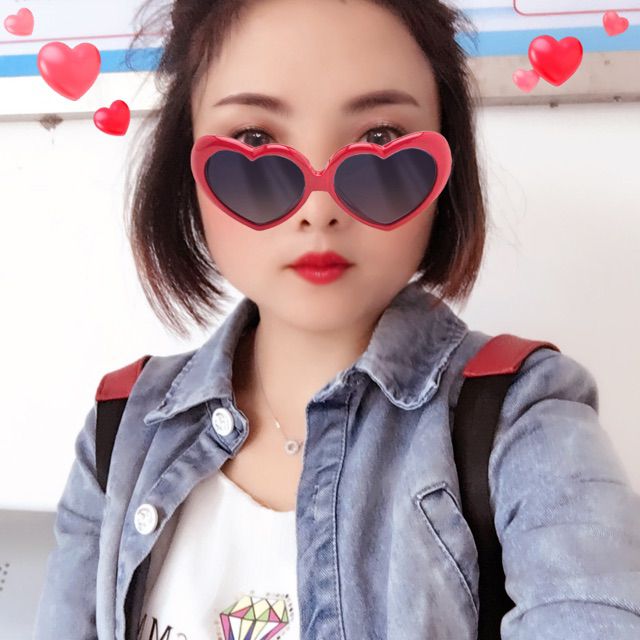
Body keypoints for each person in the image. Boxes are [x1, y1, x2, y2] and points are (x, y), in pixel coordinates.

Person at [34, 0, 640, 639]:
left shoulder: (525, 417)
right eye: (255, 141)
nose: (318, 208)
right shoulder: (120, 428)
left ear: (447, 165)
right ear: (186, 167)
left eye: (380, 140)